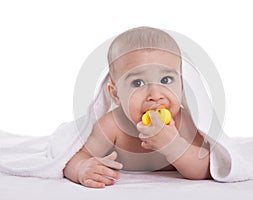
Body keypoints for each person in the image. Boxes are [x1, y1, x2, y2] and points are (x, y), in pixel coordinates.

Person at [63, 27, 211, 188]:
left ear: (181, 85)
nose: (155, 94)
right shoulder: (112, 126)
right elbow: (73, 158)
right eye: (138, 83)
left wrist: (174, 146)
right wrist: (81, 168)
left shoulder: (185, 123)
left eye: (166, 80)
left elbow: (205, 169)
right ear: (116, 94)